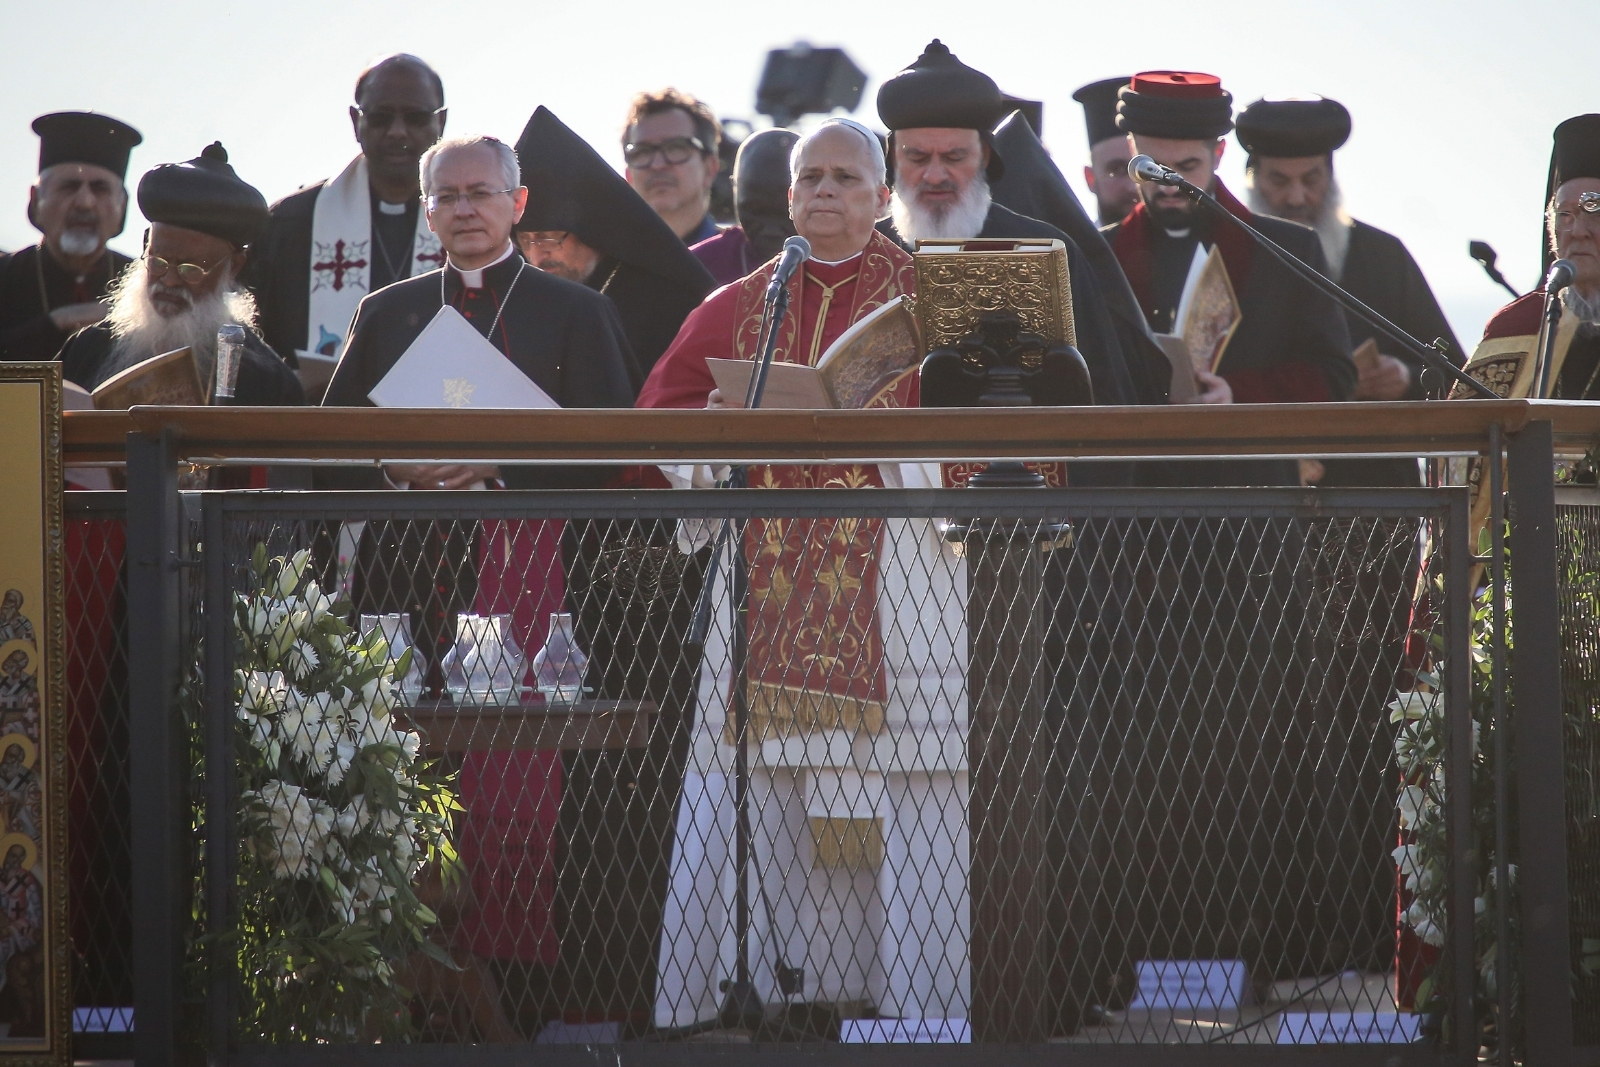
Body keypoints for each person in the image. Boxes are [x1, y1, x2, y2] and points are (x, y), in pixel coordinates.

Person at [639, 118, 972, 1031]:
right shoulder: (745, 300)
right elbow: (652, 424)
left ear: (881, 195)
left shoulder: (933, 300)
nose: (824, 191)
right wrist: (711, 425)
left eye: (845, 177)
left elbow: (1001, 433)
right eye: (809, 178)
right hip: (767, 585)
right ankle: (758, 994)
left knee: (915, 783)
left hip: (902, 583)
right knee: (757, 787)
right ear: (787, 197)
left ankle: (923, 1003)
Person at [874, 40, 1150, 425]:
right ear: (891, 156)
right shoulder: (871, 250)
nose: (935, 175)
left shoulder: (1049, 248)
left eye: (954, 157)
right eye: (916, 157)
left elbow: (1103, 394)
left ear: (985, 155)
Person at [1105, 71, 1355, 483]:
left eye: (1188, 167)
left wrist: (1236, 395)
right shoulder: (1102, 255)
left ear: (1218, 153)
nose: (1172, 186)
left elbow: (1335, 376)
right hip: (1134, 510)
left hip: (1252, 508)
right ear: (1134, 153)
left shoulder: (1286, 250)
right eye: (1157, 169)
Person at [1237, 97, 1459, 479]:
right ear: (1253, 179)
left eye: (1311, 180)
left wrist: (1406, 377)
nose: (1296, 198)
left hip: (1375, 494)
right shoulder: (1229, 255)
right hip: (1259, 491)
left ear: (1331, 178)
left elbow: (1458, 373)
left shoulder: (1382, 255)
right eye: (1279, 181)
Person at [59, 143, 304, 406]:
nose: (170, 280)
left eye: (191, 269)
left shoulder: (269, 381)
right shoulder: (88, 349)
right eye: (158, 262)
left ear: (233, 267)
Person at [249, 54, 447, 375]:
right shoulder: (292, 222)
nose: (397, 131)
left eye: (415, 117)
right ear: (357, 123)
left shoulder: (475, 221)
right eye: (381, 117)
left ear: (441, 123)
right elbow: (258, 341)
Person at [513, 105, 714, 378]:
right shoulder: (519, 298)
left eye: (550, 238)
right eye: (526, 241)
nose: (537, 256)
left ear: (590, 230)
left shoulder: (666, 305)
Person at [0, 112, 141, 362]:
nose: (85, 203)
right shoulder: (5, 275)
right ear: (35, 200)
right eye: (69, 187)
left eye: (100, 189)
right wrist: (56, 322)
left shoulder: (144, 282)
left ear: (123, 206)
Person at [689, 127, 799, 284]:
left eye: (785, 213)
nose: (771, 230)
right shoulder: (696, 267)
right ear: (735, 189)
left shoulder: (839, 265)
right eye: (756, 211)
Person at [622, 89, 722, 245]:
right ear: (629, 176)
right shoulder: (607, 266)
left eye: (675, 148)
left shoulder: (753, 264)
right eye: (642, 152)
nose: (657, 165)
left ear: (709, 169)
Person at [1072, 77, 1138, 225]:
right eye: (1117, 170)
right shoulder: (1072, 247)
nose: (1133, 187)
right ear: (1090, 178)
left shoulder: (1199, 248)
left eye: (1145, 170)